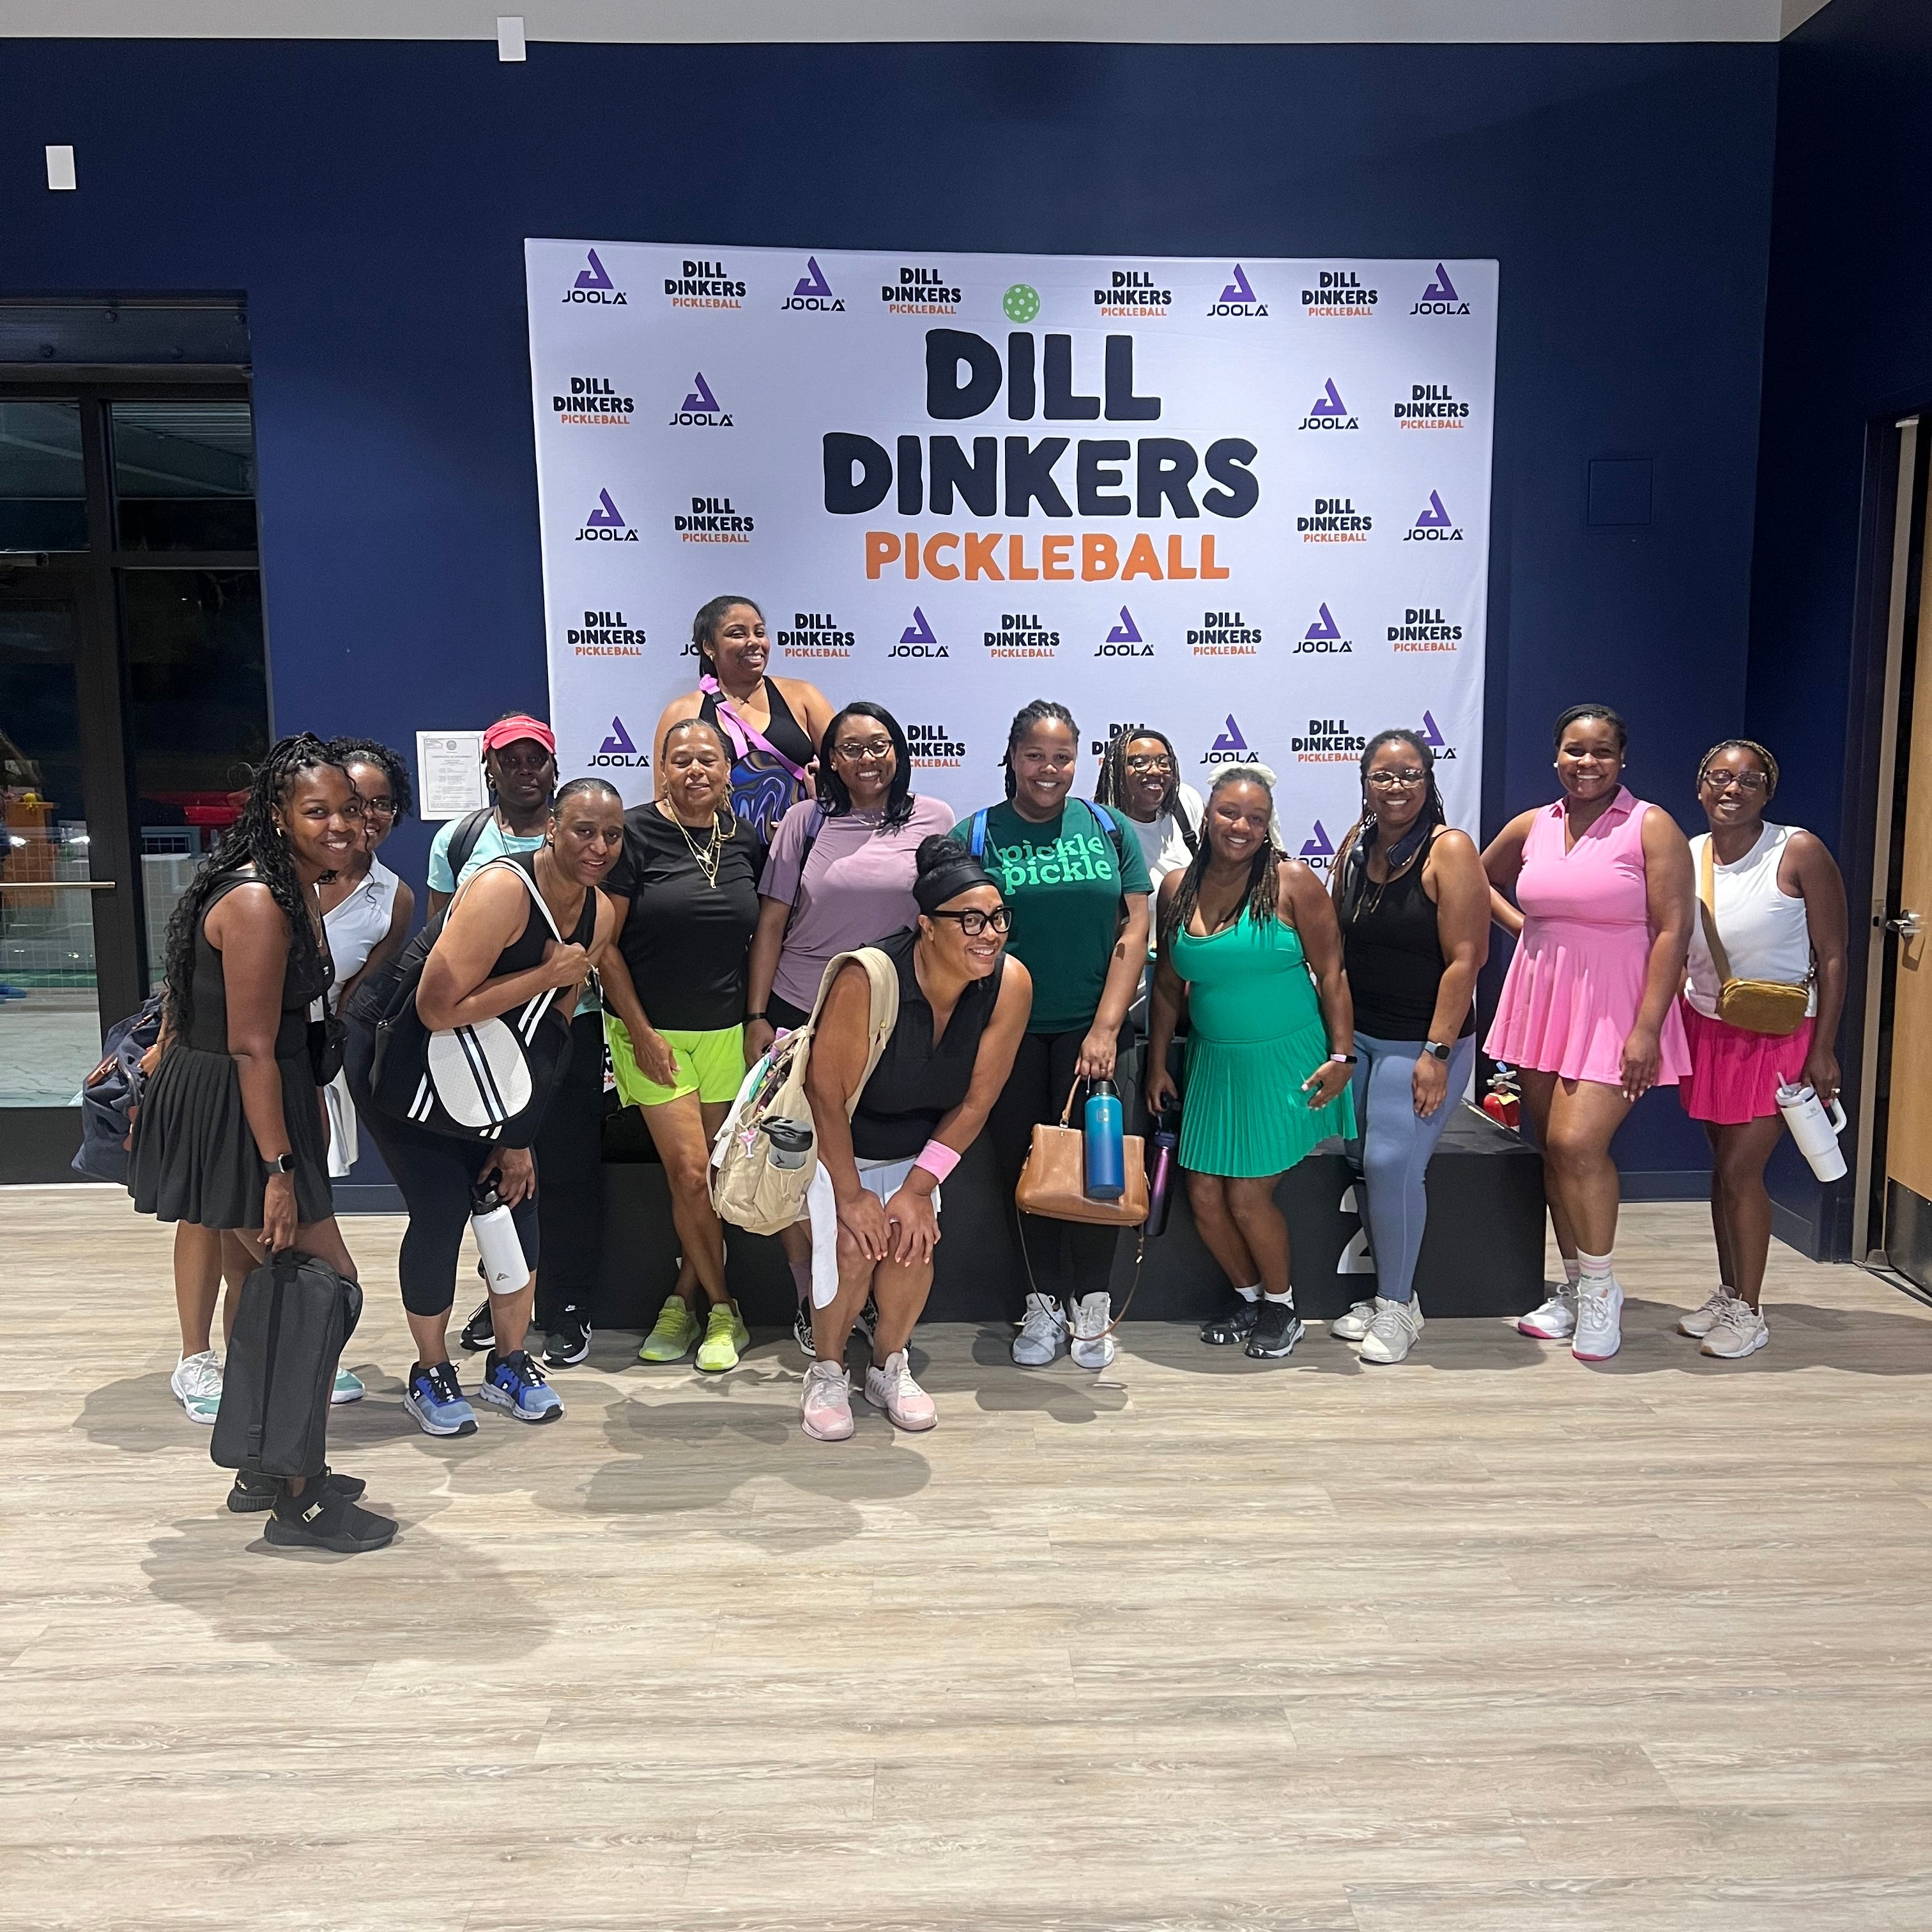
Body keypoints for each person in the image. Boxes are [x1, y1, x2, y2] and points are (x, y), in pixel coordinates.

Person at [130, 733, 394, 1552]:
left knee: (263, 1281)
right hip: (242, 1112)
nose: (342, 825)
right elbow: (248, 1044)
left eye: (350, 809)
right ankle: (300, 1495)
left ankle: (259, 1466)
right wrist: (279, 1171)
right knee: (323, 1283)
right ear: (278, 818)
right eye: (318, 812)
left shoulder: (288, 889)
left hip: (255, 1100)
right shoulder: (259, 902)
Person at [345, 779, 624, 1434]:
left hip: (486, 1064)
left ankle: (508, 1360)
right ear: (550, 828)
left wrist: (518, 1135)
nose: (599, 846)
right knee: (443, 1206)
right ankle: (431, 1370)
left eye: (612, 835)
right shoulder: (503, 890)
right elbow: (436, 1008)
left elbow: (548, 1030)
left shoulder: (601, 913)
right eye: (584, 830)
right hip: (400, 1057)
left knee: (512, 1197)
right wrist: (544, 974)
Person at [799, 839, 1033, 1439]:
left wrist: (917, 1187)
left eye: (999, 918)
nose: (990, 934)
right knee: (852, 1249)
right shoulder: (868, 975)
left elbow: (978, 1101)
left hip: (918, 1149)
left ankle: (888, 1365)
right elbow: (826, 1096)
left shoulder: (1010, 983)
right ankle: (827, 1370)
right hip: (841, 1144)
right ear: (927, 926)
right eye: (971, 921)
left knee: (911, 1242)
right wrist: (851, 1197)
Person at [1483, 704, 1695, 1361]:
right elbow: (1475, 878)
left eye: (1602, 752)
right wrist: (1527, 930)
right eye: (1575, 750)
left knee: (1578, 1144)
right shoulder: (1533, 825)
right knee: (1552, 1147)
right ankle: (1574, 1288)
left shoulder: (1651, 825)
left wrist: (1647, 1029)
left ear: (1622, 760)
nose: (1587, 763)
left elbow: (1672, 932)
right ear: (1556, 756)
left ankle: (1603, 1292)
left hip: (1617, 1007)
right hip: (1542, 1002)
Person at [745, 701, 956, 1351]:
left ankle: (864, 1294)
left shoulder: (936, 819)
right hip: (800, 1014)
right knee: (794, 1164)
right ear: (831, 760)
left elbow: (947, 919)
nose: (869, 758)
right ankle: (814, 1289)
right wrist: (756, 1016)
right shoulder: (805, 824)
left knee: (870, 1166)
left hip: (893, 1025)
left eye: (880, 744)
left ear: (899, 749)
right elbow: (773, 925)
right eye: (853, 747)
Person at [956, 700, 1152, 1370]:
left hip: (1092, 1035)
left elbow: (1134, 929)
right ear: (1012, 756)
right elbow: (954, 934)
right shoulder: (976, 834)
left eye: (1062, 756)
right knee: (1027, 1171)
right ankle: (1040, 1304)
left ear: (1080, 760)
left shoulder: (1107, 826)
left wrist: (1105, 1027)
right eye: (1035, 755)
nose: (1049, 769)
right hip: (1004, 1036)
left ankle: (1092, 1304)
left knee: (1098, 1173)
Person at [1145, 765, 1358, 1359]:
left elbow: (1334, 974)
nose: (1240, 826)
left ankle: (1283, 1308)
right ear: (1207, 814)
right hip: (1215, 1065)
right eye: (1229, 813)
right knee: (1204, 1195)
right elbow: (1165, 985)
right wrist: (1159, 1063)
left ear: (1269, 827)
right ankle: (1250, 1297)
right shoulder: (1177, 887)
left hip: (1287, 1062)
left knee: (1245, 1196)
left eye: (1255, 819)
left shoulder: (1293, 882)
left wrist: (1343, 1054)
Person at [599, 719, 765, 1372]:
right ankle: (725, 1311)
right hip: (653, 1034)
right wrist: (639, 1034)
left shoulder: (746, 838)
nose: (696, 770)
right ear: (661, 770)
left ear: (728, 769)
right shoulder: (635, 834)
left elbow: (759, 939)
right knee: (691, 1173)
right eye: (681, 760)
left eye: (709, 759)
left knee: (715, 1182)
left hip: (726, 1032)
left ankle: (682, 1297)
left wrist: (755, 1019)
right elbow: (603, 945)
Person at [1676, 739, 1848, 1360]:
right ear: (1699, 786)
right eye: (1719, 777)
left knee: (1743, 1170)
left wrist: (1824, 1048)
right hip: (1710, 1028)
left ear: (1767, 793)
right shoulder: (1688, 854)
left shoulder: (1797, 849)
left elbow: (1832, 955)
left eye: (1749, 781)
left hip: (1780, 1033)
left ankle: (1751, 1312)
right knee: (1722, 1170)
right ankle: (1729, 1292)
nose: (1732, 789)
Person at [1327, 730, 1489, 1363]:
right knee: (1365, 1158)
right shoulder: (1355, 843)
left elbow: (1466, 961)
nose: (1396, 788)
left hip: (1419, 1042)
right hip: (1361, 1038)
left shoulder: (1449, 850)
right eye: (1383, 776)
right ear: (1364, 782)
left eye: (1410, 775)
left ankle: (1397, 1306)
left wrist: (1437, 1054)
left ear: (1429, 781)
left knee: (1395, 1163)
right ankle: (1392, 1295)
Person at [308, 737, 417, 1402]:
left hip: (306, 1059)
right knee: (215, 1214)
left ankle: (282, 1354)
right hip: (230, 1049)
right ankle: (196, 1355)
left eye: (379, 804)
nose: (363, 816)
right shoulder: (271, 873)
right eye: (351, 802)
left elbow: (356, 1003)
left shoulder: (392, 899)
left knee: (284, 1208)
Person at [652, 595, 835, 843]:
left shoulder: (804, 696)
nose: (754, 642)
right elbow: (664, 800)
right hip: (719, 855)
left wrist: (820, 804)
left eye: (759, 632)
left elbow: (846, 767)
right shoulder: (682, 712)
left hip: (801, 848)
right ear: (709, 647)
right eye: (738, 634)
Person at [1094, 726, 1202, 891]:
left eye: (1164, 763)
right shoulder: (1101, 827)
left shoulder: (1185, 800)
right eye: (1140, 763)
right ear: (1117, 772)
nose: (1155, 771)